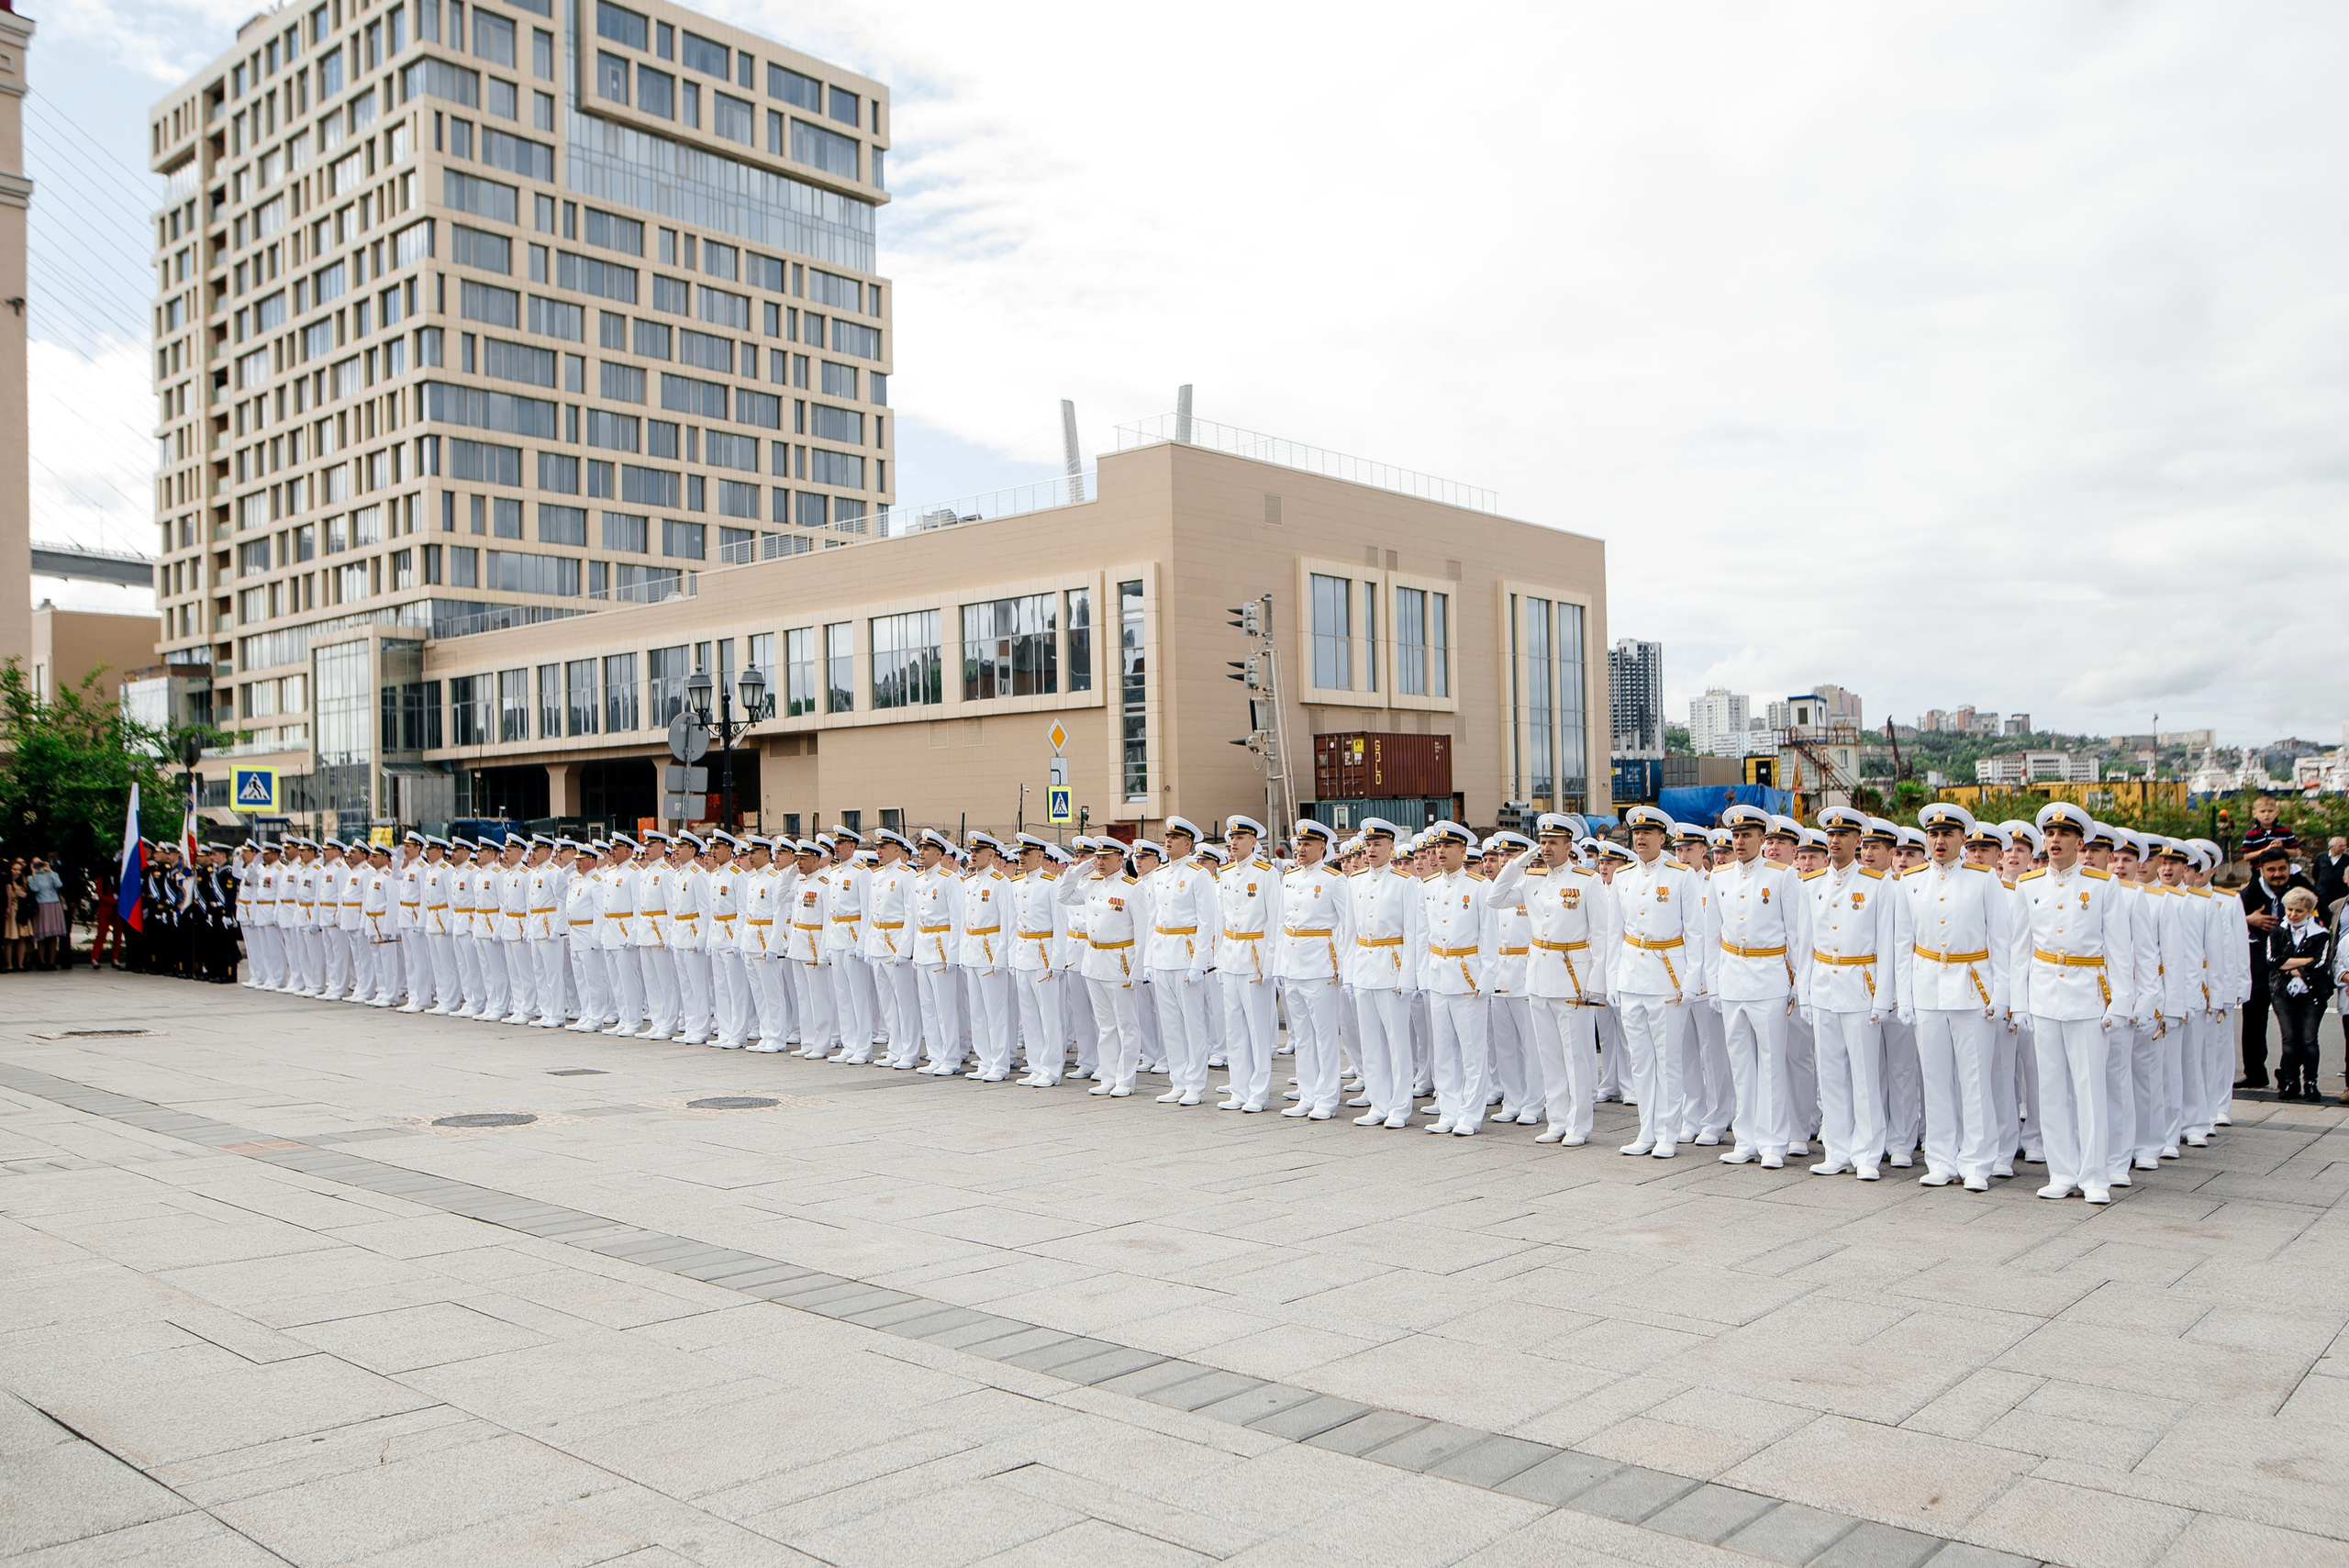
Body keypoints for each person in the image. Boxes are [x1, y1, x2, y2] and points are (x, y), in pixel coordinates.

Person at [2013, 802, 2134, 1206]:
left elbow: (2120, 950)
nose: (2056, 841)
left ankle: (2095, 1174)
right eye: (2050, 835)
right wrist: (2020, 1002)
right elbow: (2020, 950)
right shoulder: (2029, 886)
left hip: (2087, 995)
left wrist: (2120, 1003)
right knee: (2049, 1090)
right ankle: (2061, 1172)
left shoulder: (2102, 886)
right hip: (2046, 993)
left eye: (2064, 835)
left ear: (2080, 842)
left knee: (2090, 1089)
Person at [2239, 847, 2317, 1090]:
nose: (2277, 874)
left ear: (2289, 867)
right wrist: (2248, 920)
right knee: (2253, 1020)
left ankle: (2289, 1074)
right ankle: (2254, 1073)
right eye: (2271, 870)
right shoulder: (2250, 892)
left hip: (2293, 970)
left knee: (2294, 1026)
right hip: (2259, 966)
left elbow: (2321, 917)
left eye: (2282, 868)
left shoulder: (2302, 888)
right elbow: (2225, 920)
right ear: (2261, 870)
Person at [2268, 888, 2332, 1102]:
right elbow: (2273, 961)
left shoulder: (2321, 934)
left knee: (2308, 1039)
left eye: (2299, 910)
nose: (2293, 914)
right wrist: (2305, 962)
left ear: (2309, 911)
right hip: (2283, 992)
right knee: (2289, 1039)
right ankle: (2290, 1082)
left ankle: (2311, 1083)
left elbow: (2321, 964)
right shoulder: (2277, 932)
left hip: (2312, 993)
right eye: (2289, 909)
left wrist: (2290, 966)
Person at [27, 856, 68, 971]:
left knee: (53, 935)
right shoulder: (31, 878)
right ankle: (42, 962)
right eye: (34, 863)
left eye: (39, 863)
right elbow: (35, 889)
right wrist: (34, 873)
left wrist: (50, 871)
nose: (37, 865)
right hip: (41, 905)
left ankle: (52, 961)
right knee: (41, 935)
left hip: (54, 904)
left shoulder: (51, 874)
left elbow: (59, 885)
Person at [4, 858, 28, 972]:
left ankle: (20, 964)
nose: (17, 871)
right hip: (12, 910)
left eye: (19, 869)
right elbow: (7, 897)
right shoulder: (7, 880)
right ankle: (9, 964)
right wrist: (16, 894)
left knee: (22, 938)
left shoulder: (23, 881)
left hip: (22, 911)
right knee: (10, 938)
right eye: (14, 869)